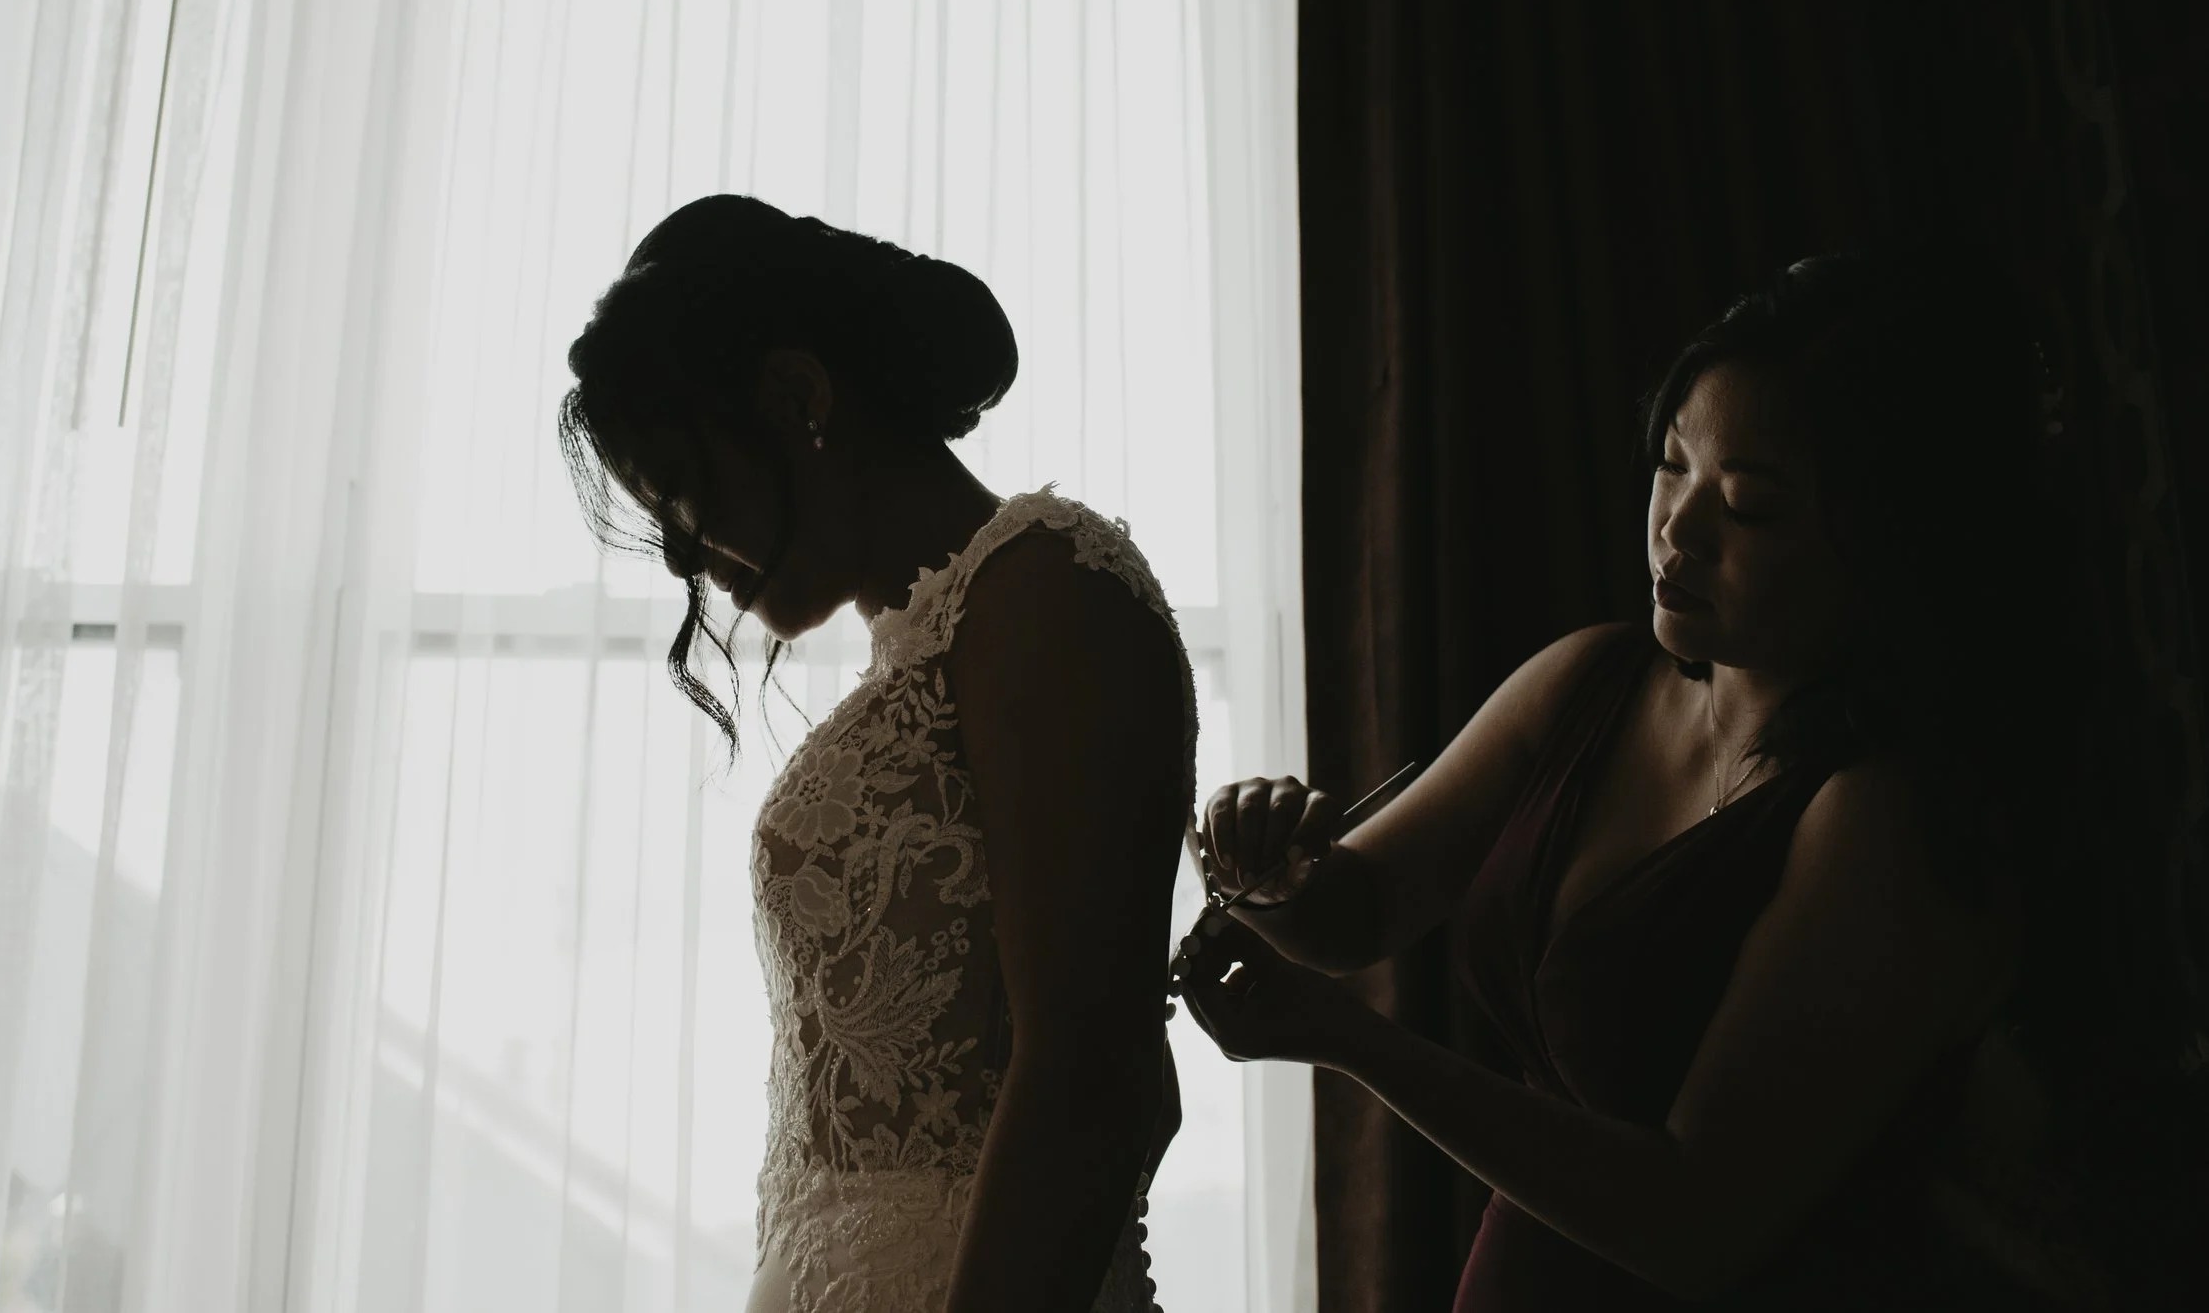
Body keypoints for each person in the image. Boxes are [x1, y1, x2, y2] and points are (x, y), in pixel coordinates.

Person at [1173, 251, 2198, 1307]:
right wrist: (1266, 864)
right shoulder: (1589, 684)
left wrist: (1356, 1046)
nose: (1679, 526)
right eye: (1671, 463)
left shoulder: (1884, 820)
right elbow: (1356, 910)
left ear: (1889, 545)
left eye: (1749, 507)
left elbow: (1693, 1219)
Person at [560, 195, 1191, 1313]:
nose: (681, 561)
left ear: (799, 397)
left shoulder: (1051, 594)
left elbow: (1094, 1073)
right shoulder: (921, 659)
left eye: (683, 495)